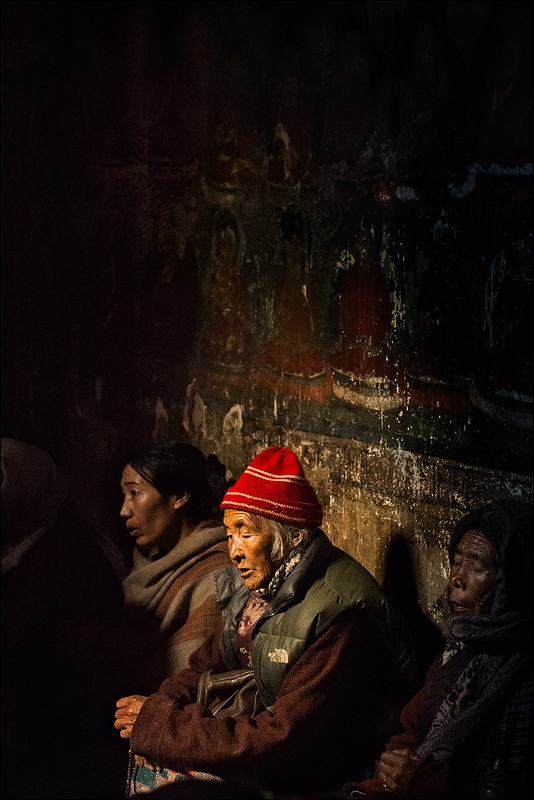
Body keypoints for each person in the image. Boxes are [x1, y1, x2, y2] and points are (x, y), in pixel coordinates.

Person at [114, 446, 417, 799]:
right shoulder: (258, 587)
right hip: (276, 750)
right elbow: (202, 666)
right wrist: (156, 707)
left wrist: (162, 727)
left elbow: (284, 737)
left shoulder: (339, 613)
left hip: (329, 771)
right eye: (229, 534)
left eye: (246, 532)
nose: (234, 550)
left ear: (291, 537)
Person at [342, 499, 533, 800]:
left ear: (513, 580)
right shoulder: (457, 651)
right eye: (456, 561)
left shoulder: (523, 679)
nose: (456, 579)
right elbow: (409, 732)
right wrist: (392, 772)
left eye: (478, 566)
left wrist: (423, 782)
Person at [1, 437, 124, 799]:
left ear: (25, 488)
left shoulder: (65, 553)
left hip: (55, 730)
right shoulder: (21, 540)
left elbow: (23, 636)